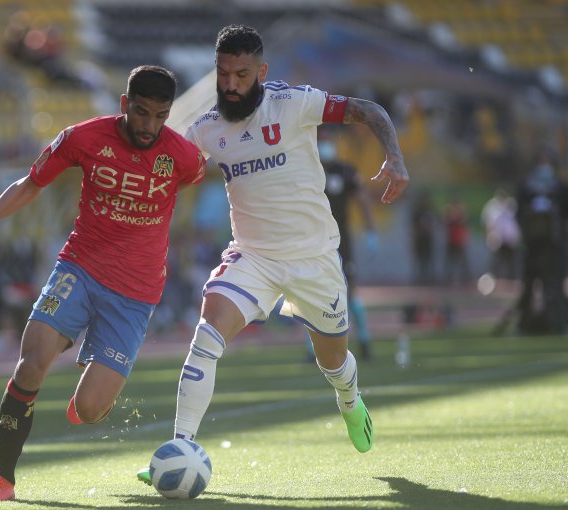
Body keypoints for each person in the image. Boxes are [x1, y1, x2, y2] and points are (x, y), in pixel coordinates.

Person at [138, 25, 409, 485]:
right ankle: (180, 448)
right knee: (205, 337)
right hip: (253, 258)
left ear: (261, 71)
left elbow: (369, 109)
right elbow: (169, 168)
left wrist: (396, 159)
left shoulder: (294, 103)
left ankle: (349, 400)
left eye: (242, 74)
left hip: (314, 259)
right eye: (223, 73)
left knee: (334, 363)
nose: (230, 84)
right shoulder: (206, 128)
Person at [0, 65, 205, 503]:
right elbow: (31, 183)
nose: (149, 126)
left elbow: (216, 178)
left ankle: (92, 376)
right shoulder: (83, 138)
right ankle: (3, 479)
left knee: (89, 410)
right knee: (32, 360)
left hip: (135, 293)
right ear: (124, 105)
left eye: (160, 116)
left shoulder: (184, 157)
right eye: (141, 113)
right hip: (78, 269)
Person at [316, 127, 378, 361]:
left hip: (341, 242)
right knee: (310, 293)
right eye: (320, 141)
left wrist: (371, 231)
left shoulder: (345, 171)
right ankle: (312, 349)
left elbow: (362, 199)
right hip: (313, 244)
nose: (325, 145)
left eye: (327, 140)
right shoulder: (308, 172)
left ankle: (364, 340)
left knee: (351, 293)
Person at [514, 151, 568, 334]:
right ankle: (524, 326)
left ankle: (560, 325)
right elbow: (519, 215)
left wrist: (563, 236)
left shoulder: (561, 187)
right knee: (529, 288)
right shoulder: (526, 187)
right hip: (532, 247)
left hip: (555, 248)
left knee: (555, 287)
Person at [480, 188, 520, 281]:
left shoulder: (510, 205)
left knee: (510, 260)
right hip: (497, 239)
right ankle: (494, 278)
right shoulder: (492, 207)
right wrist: (489, 235)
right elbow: (488, 223)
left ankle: (510, 278)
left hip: (509, 239)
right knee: (496, 261)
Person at [443, 196, 471, 286]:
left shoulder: (461, 213)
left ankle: (466, 277)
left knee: (462, 261)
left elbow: (464, 222)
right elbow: (445, 221)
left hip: (459, 240)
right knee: (450, 261)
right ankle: (448, 278)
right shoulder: (449, 213)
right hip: (451, 240)